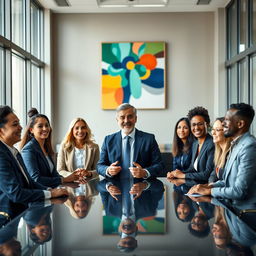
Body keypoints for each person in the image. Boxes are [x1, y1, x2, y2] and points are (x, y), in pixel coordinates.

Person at [0, 105, 68, 218]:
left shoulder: (14, 151)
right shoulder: (1, 154)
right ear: (1, 130)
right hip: (8, 218)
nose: (21, 127)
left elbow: (29, 182)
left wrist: (50, 190)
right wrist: (50, 194)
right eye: (15, 124)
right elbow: (16, 193)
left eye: (19, 123)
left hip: (22, 211)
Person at [189, 103, 256, 200]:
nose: (223, 124)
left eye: (227, 120)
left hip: (241, 211)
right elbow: (227, 182)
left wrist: (210, 191)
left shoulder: (249, 146)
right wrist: (209, 186)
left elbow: (239, 191)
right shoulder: (236, 145)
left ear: (240, 124)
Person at [97, 103, 164, 178]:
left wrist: (145, 172)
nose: (126, 121)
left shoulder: (149, 139)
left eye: (130, 117)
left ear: (135, 119)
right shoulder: (108, 140)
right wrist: (108, 170)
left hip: (142, 186)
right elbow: (100, 166)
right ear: (117, 120)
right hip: (114, 186)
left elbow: (159, 165)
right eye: (122, 117)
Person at [20, 108, 79, 188]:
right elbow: (36, 179)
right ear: (31, 130)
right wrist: (64, 180)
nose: (45, 128)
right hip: (39, 196)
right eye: (40, 126)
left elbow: (54, 174)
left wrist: (72, 178)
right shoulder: (28, 150)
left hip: (52, 191)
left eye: (47, 125)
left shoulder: (46, 148)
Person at [168, 106, 214, 181]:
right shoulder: (196, 144)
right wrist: (175, 174)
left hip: (205, 186)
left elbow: (207, 174)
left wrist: (183, 175)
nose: (196, 128)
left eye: (200, 124)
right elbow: (192, 168)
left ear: (207, 124)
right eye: (193, 124)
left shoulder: (211, 144)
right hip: (195, 184)